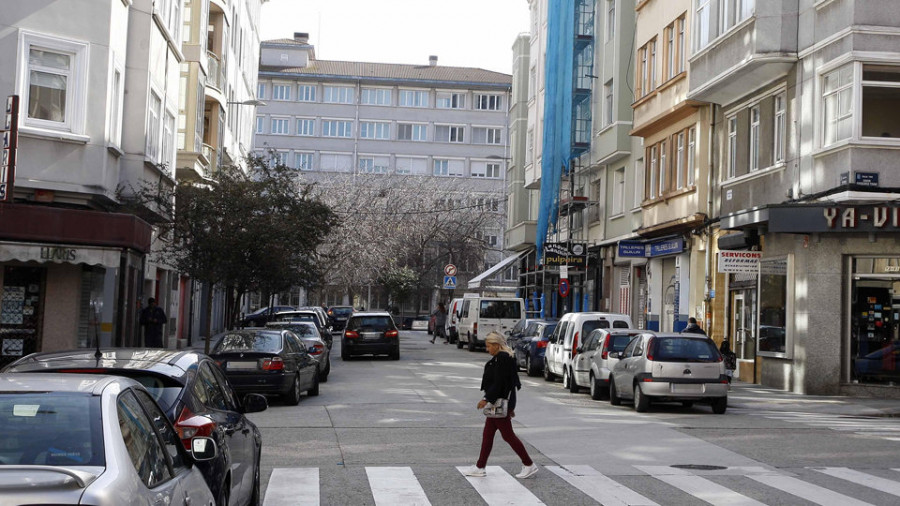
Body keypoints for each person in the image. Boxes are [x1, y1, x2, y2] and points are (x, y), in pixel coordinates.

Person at [463, 332, 538, 479]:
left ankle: (529, 464)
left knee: (508, 436)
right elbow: (508, 384)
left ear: (497, 345)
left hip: (498, 402)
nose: (487, 349)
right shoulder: (501, 358)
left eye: (489, 346)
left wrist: (486, 399)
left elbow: (501, 384)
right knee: (488, 435)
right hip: (498, 404)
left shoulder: (502, 359)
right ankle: (480, 466)